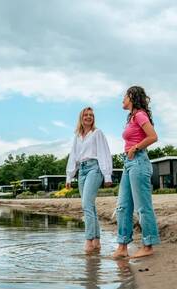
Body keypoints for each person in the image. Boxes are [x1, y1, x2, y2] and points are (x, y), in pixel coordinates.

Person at [113, 86, 160, 259]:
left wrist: (135, 148)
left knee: (142, 207)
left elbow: (153, 136)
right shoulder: (131, 117)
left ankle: (148, 246)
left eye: (125, 96)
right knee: (123, 206)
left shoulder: (140, 114)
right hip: (129, 163)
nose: (123, 99)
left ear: (132, 97)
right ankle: (122, 246)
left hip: (138, 161)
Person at [66, 107, 113, 253]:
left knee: (86, 205)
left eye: (91, 115)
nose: (88, 117)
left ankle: (88, 241)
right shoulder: (77, 136)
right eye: (86, 115)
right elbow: (73, 156)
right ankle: (97, 241)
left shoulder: (97, 133)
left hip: (95, 168)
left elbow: (105, 153)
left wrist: (107, 175)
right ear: (81, 118)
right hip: (82, 171)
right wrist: (69, 176)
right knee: (90, 206)